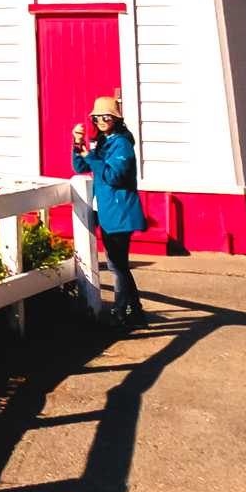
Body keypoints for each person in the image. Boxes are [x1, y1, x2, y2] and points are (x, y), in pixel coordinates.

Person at [72, 95, 148, 328]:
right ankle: (134, 310)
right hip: (107, 210)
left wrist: (91, 158)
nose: (102, 121)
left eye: (107, 117)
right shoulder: (104, 141)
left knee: (116, 264)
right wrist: (78, 145)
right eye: (97, 117)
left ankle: (120, 311)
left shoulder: (122, 144)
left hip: (119, 210)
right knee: (119, 264)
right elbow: (81, 166)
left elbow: (114, 176)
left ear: (116, 119)